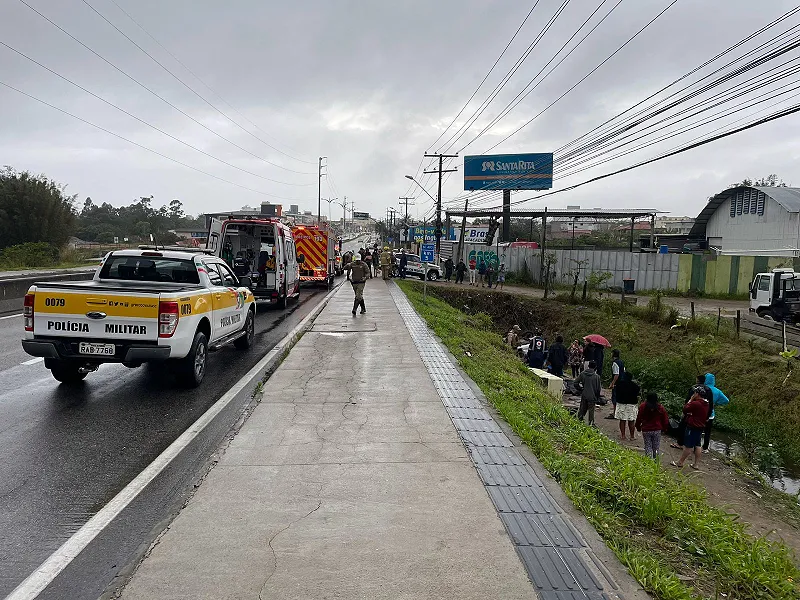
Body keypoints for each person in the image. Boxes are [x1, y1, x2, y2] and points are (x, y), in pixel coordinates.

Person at [672, 386, 711, 470]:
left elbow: (685, 409)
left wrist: (691, 399)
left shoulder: (696, 403)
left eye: (694, 393)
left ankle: (680, 462)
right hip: (700, 426)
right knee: (697, 445)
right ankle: (696, 464)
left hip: (693, 426)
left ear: (697, 394)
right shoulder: (706, 403)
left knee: (688, 446)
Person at [670, 375, 712, 451]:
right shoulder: (708, 390)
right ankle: (696, 447)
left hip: (691, 412)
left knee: (683, 427)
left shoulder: (694, 388)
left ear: (697, 380)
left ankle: (681, 444)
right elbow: (711, 404)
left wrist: (685, 410)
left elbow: (687, 401)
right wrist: (708, 416)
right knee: (699, 433)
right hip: (702, 414)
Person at [636, 392, 670, 461]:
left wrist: (638, 427)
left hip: (646, 429)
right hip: (657, 429)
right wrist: (664, 429)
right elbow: (665, 420)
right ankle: (656, 462)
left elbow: (639, 418)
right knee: (656, 447)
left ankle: (648, 462)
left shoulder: (643, 406)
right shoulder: (660, 407)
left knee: (648, 446)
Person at [702, 373, 730, 453]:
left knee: (698, 429)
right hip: (711, 414)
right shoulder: (717, 391)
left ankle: (694, 446)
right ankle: (705, 448)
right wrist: (716, 403)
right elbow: (726, 400)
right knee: (708, 431)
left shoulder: (703, 388)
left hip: (701, 413)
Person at [614, 371, 640, 440]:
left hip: (621, 404)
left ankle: (623, 435)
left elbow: (616, 392)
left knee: (622, 420)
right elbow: (637, 393)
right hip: (631, 404)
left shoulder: (619, 384)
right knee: (631, 421)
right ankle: (632, 436)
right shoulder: (635, 386)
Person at [576, 361, 602, 427]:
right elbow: (598, 389)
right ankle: (591, 423)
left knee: (582, 409)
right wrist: (597, 397)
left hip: (584, 394)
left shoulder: (583, 374)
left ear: (588, 366)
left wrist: (580, 389)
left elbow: (575, 383)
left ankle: (579, 421)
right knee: (591, 410)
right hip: (592, 395)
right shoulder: (597, 377)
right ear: (595, 367)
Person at [606, 349, 625, 420]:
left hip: (617, 383)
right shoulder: (621, 362)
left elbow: (616, 374)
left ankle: (615, 414)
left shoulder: (615, 363)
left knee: (615, 398)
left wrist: (612, 383)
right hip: (622, 382)